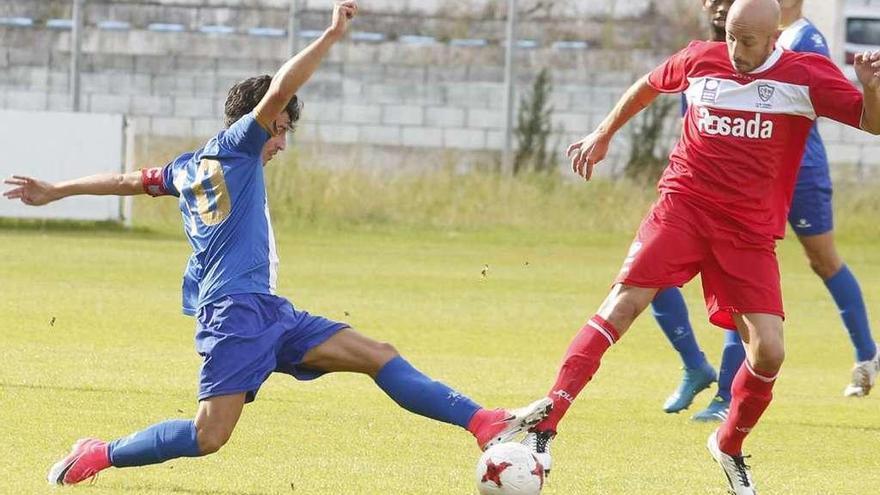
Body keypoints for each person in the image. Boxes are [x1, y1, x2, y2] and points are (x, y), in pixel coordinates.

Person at [3, 2, 551, 487]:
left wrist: (58, 190)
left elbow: (128, 181)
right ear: (258, 122)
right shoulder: (240, 144)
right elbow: (281, 89)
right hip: (234, 313)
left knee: (377, 355)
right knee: (209, 436)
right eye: (281, 129)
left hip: (266, 310)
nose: (282, 142)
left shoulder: (188, 166)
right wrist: (331, 35)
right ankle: (100, 453)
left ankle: (484, 423)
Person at [521, 0, 880, 493]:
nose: (736, 50)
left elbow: (872, 122)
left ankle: (728, 445)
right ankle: (546, 421)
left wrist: (872, 90)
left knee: (771, 352)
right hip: (683, 208)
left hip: (748, 233)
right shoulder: (699, 58)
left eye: (748, 41)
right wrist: (603, 134)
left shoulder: (806, 75)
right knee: (622, 304)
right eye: (731, 36)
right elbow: (648, 85)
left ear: (774, 36)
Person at [657, 0, 880, 426]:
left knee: (822, 261)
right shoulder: (735, 38)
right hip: (748, 173)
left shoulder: (804, 40)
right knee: (714, 271)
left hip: (797, 172)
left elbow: (828, 104)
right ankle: (706, 375)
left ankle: (866, 353)